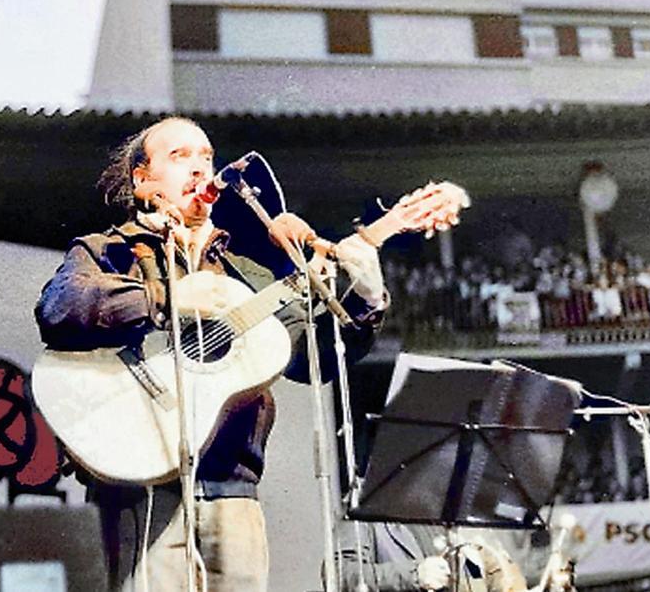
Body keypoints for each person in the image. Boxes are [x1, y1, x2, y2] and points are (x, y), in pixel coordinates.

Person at [34, 117, 389, 592]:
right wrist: (165, 301)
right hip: (138, 482)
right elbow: (60, 308)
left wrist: (366, 297)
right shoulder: (108, 250)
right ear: (143, 178)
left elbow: (313, 358)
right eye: (180, 157)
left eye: (206, 156)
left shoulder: (244, 274)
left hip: (234, 488)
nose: (201, 168)